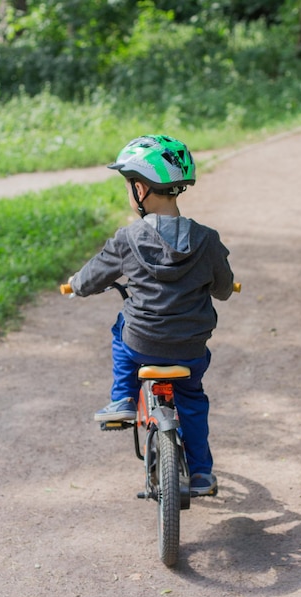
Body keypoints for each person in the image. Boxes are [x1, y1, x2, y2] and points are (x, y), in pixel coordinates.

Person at [69, 134, 234, 496]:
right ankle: (203, 473)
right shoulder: (207, 240)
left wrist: (76, 284)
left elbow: (92, 277)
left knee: (121, 328)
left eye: (129, 186)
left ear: (140, 190)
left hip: (142, 345)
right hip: (190, 350)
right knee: (191, 399)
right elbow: (223, 289)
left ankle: (123, 399)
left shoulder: (127, 239)